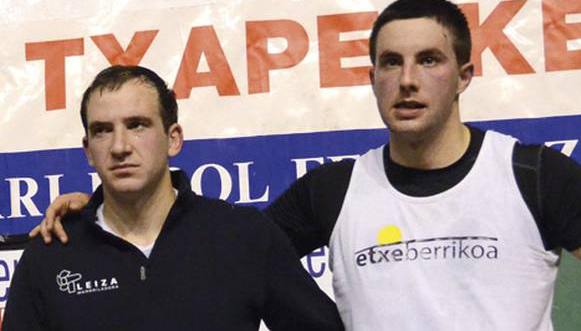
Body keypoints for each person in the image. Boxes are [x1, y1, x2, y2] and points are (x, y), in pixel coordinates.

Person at [35, 0, 581, 330]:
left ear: (463, 75)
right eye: (389, 63)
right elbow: (208, 250)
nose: (407, 79)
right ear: (371, 77)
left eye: (428, 60)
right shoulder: (331, 192)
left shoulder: (532, 174)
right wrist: (100, 214)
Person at [7, 66, 343, 331]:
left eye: (137, 125)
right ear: (88, 151)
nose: (120, 146)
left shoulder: (243, 236)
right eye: (103, 130)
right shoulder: (50, 256)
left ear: (173, 139)